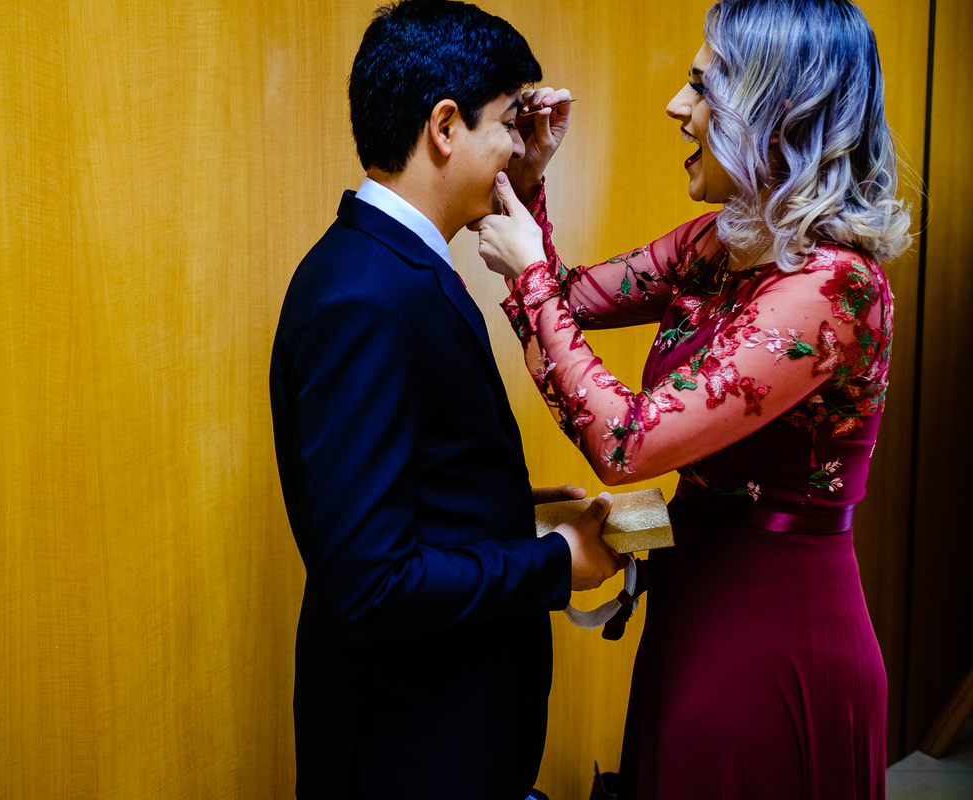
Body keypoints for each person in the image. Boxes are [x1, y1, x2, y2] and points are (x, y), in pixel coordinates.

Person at [469, 0, 910, 797]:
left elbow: (626, 443)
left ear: (780, 110)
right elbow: (569, 300)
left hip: (776, 631)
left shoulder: (833, 288)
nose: (678, 105)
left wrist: (528, 275)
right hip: (696, 593)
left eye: (704, 87)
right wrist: (528, 182)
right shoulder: (720, 243)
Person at [268, 1, 626, 797]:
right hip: (411, 745)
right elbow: (371, 580)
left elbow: (396, 489)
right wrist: (554, 563)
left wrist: (506, 508)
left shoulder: (389, 263)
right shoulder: (366, 297)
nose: (520, 148)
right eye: (509, 123)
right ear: (444, 126)